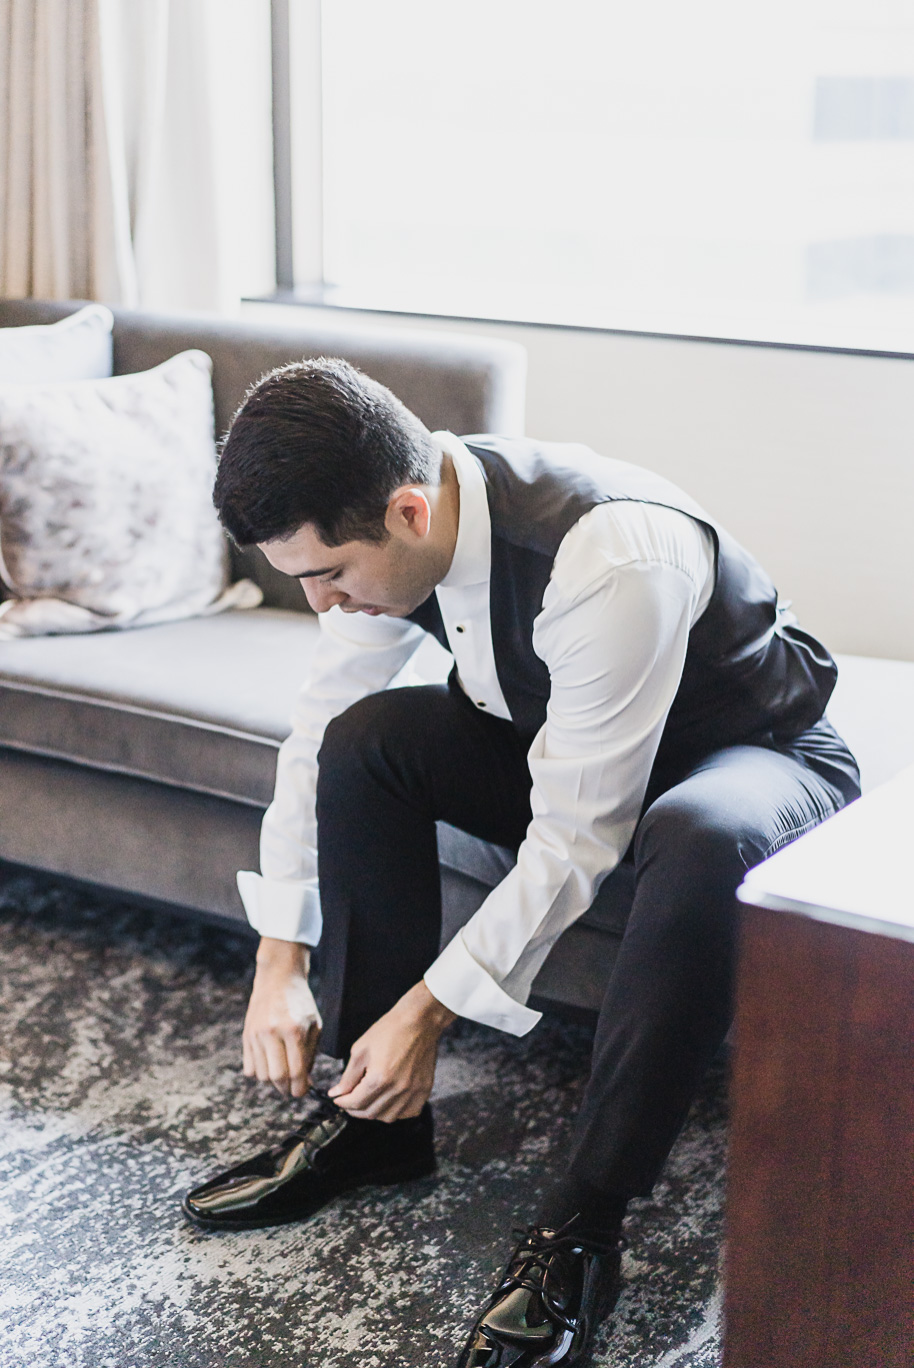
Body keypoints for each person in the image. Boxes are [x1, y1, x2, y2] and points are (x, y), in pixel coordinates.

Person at [184, 358, 859, 1366]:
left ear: (407, 511)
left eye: (328, 574)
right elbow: (316, 724)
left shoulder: (608, 556)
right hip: (573, 749)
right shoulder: (401, 536)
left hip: (747, 756)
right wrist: (277, 958)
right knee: (367, 737)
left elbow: (577, 833)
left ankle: (581, 1228)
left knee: (698, 836)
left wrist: (428, 1009)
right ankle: (378, 1126)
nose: (320, 603)